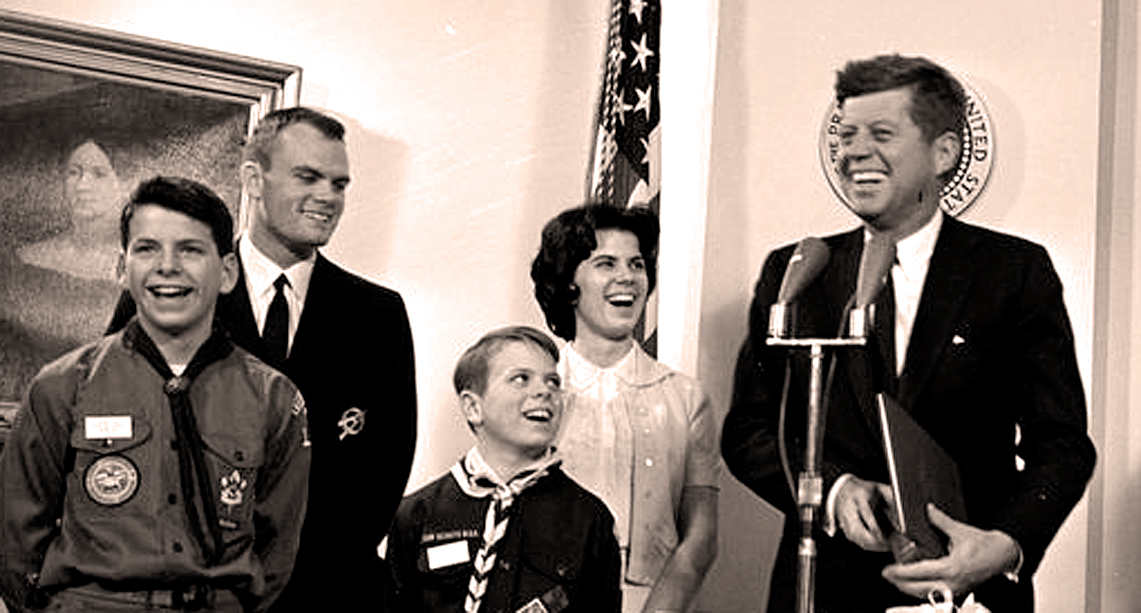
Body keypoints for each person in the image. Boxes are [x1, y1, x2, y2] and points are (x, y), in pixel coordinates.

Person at [721, 54, 1097, 613]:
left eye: (881, 134)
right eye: (846, 136)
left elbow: (1062, 446)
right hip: (828, 590)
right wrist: (833, 490)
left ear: (943, 152)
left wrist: (1003, 546)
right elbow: (750, 431)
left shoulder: (1013, 272)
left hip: (967, 590)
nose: (854, 152)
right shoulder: (799, 272)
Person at [107, 107, 418, 612]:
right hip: (180, 590)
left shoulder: (377, 314)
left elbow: (382, 475)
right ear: (254, 179)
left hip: (321, 592)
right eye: (308, 177)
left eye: (339, 184)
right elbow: (117, 431)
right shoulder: (168, 291)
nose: (328, 198)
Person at [0, 176, 311, 612]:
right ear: (121, 268)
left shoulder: (275, 398)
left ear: (226, 273)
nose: (168, 266)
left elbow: (277, 549)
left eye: (190, 249)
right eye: (147, 249)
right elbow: (16, 537)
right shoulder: (62, 385)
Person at [530, 204, 720, 613]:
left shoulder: (685, 397)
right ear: (568, 283)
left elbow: (700, 538)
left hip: (653, 600)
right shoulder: (535, 392)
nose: (627, 277)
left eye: (636, 264)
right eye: (606, 263)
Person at [384, 325, 620, 613]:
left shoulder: (589, 519)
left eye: (553, 382)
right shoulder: (415, 515)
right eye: (521, 379)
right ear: (473, 408)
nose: (544, 391)